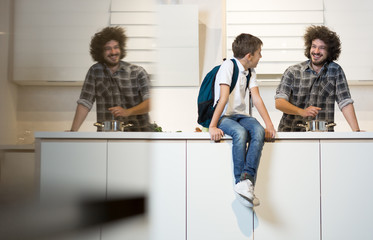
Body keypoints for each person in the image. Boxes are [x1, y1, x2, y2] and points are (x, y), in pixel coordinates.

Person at [209, 33, 276, 207]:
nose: (260, 57)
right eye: (259, 53)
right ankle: (240, 182)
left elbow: (257, 99)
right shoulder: (228, 66)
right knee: (240, 133)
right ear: (249, 56)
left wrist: (269, 125)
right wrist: (212, 126)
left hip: (240, 115)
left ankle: (247, 180)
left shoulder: (250, 71)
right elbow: (223, 99)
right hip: (224, 115)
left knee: (258, 130)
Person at [275, 25, 360, 132]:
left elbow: (345, 102)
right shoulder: (293, 71)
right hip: (291, 133)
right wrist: (302, 111)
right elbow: (279, 103)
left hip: (323, 135)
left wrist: (356, 132)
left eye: (322, 48)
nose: (316, 51)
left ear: (330, 51)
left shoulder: (335, 71)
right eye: (313, 46)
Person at [69, 26, 151, 132]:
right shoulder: (95, 71)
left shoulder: (137, 72)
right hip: (107, 135)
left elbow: (150, 102)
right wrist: (73, 132)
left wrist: (127, 112)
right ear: (100, 52)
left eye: (116, 47)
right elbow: (85, 103)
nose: (113, 52)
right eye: (108, 49)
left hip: (138, 134)